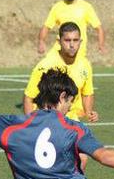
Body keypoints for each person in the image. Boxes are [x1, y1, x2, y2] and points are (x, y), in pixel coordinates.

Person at [23, 22, 98, 169]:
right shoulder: (46, 65)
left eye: (75, 40)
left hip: (71, 120)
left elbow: (87, 92)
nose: (72, 45)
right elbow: (28, 97)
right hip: (47, 121)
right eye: (67, 40)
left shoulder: (85, 64)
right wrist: (31, 125)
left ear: (81, 42)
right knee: (53, 165)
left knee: (82, 157)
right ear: (59, 42)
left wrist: (89, 111)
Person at [38, 0, 106, 56]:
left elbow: (99, 28)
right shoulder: (57, 7)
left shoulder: (86, 7)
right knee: (43, 67)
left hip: (78, 52)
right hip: (59, 51)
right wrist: (41, 42)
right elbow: (46, 26)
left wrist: (101, 45)